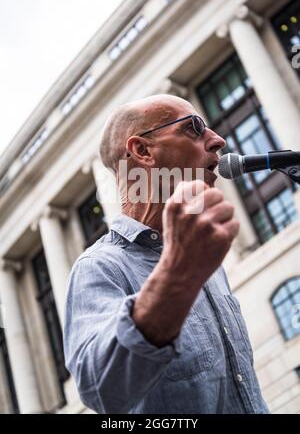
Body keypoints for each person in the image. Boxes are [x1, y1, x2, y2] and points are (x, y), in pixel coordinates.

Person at [63, 94, 269, 414]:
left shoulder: (205, 261)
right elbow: (102, 390)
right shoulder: (99, 267)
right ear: (142, 151)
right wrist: (179, 271)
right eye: (194, 127)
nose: (218, 140)